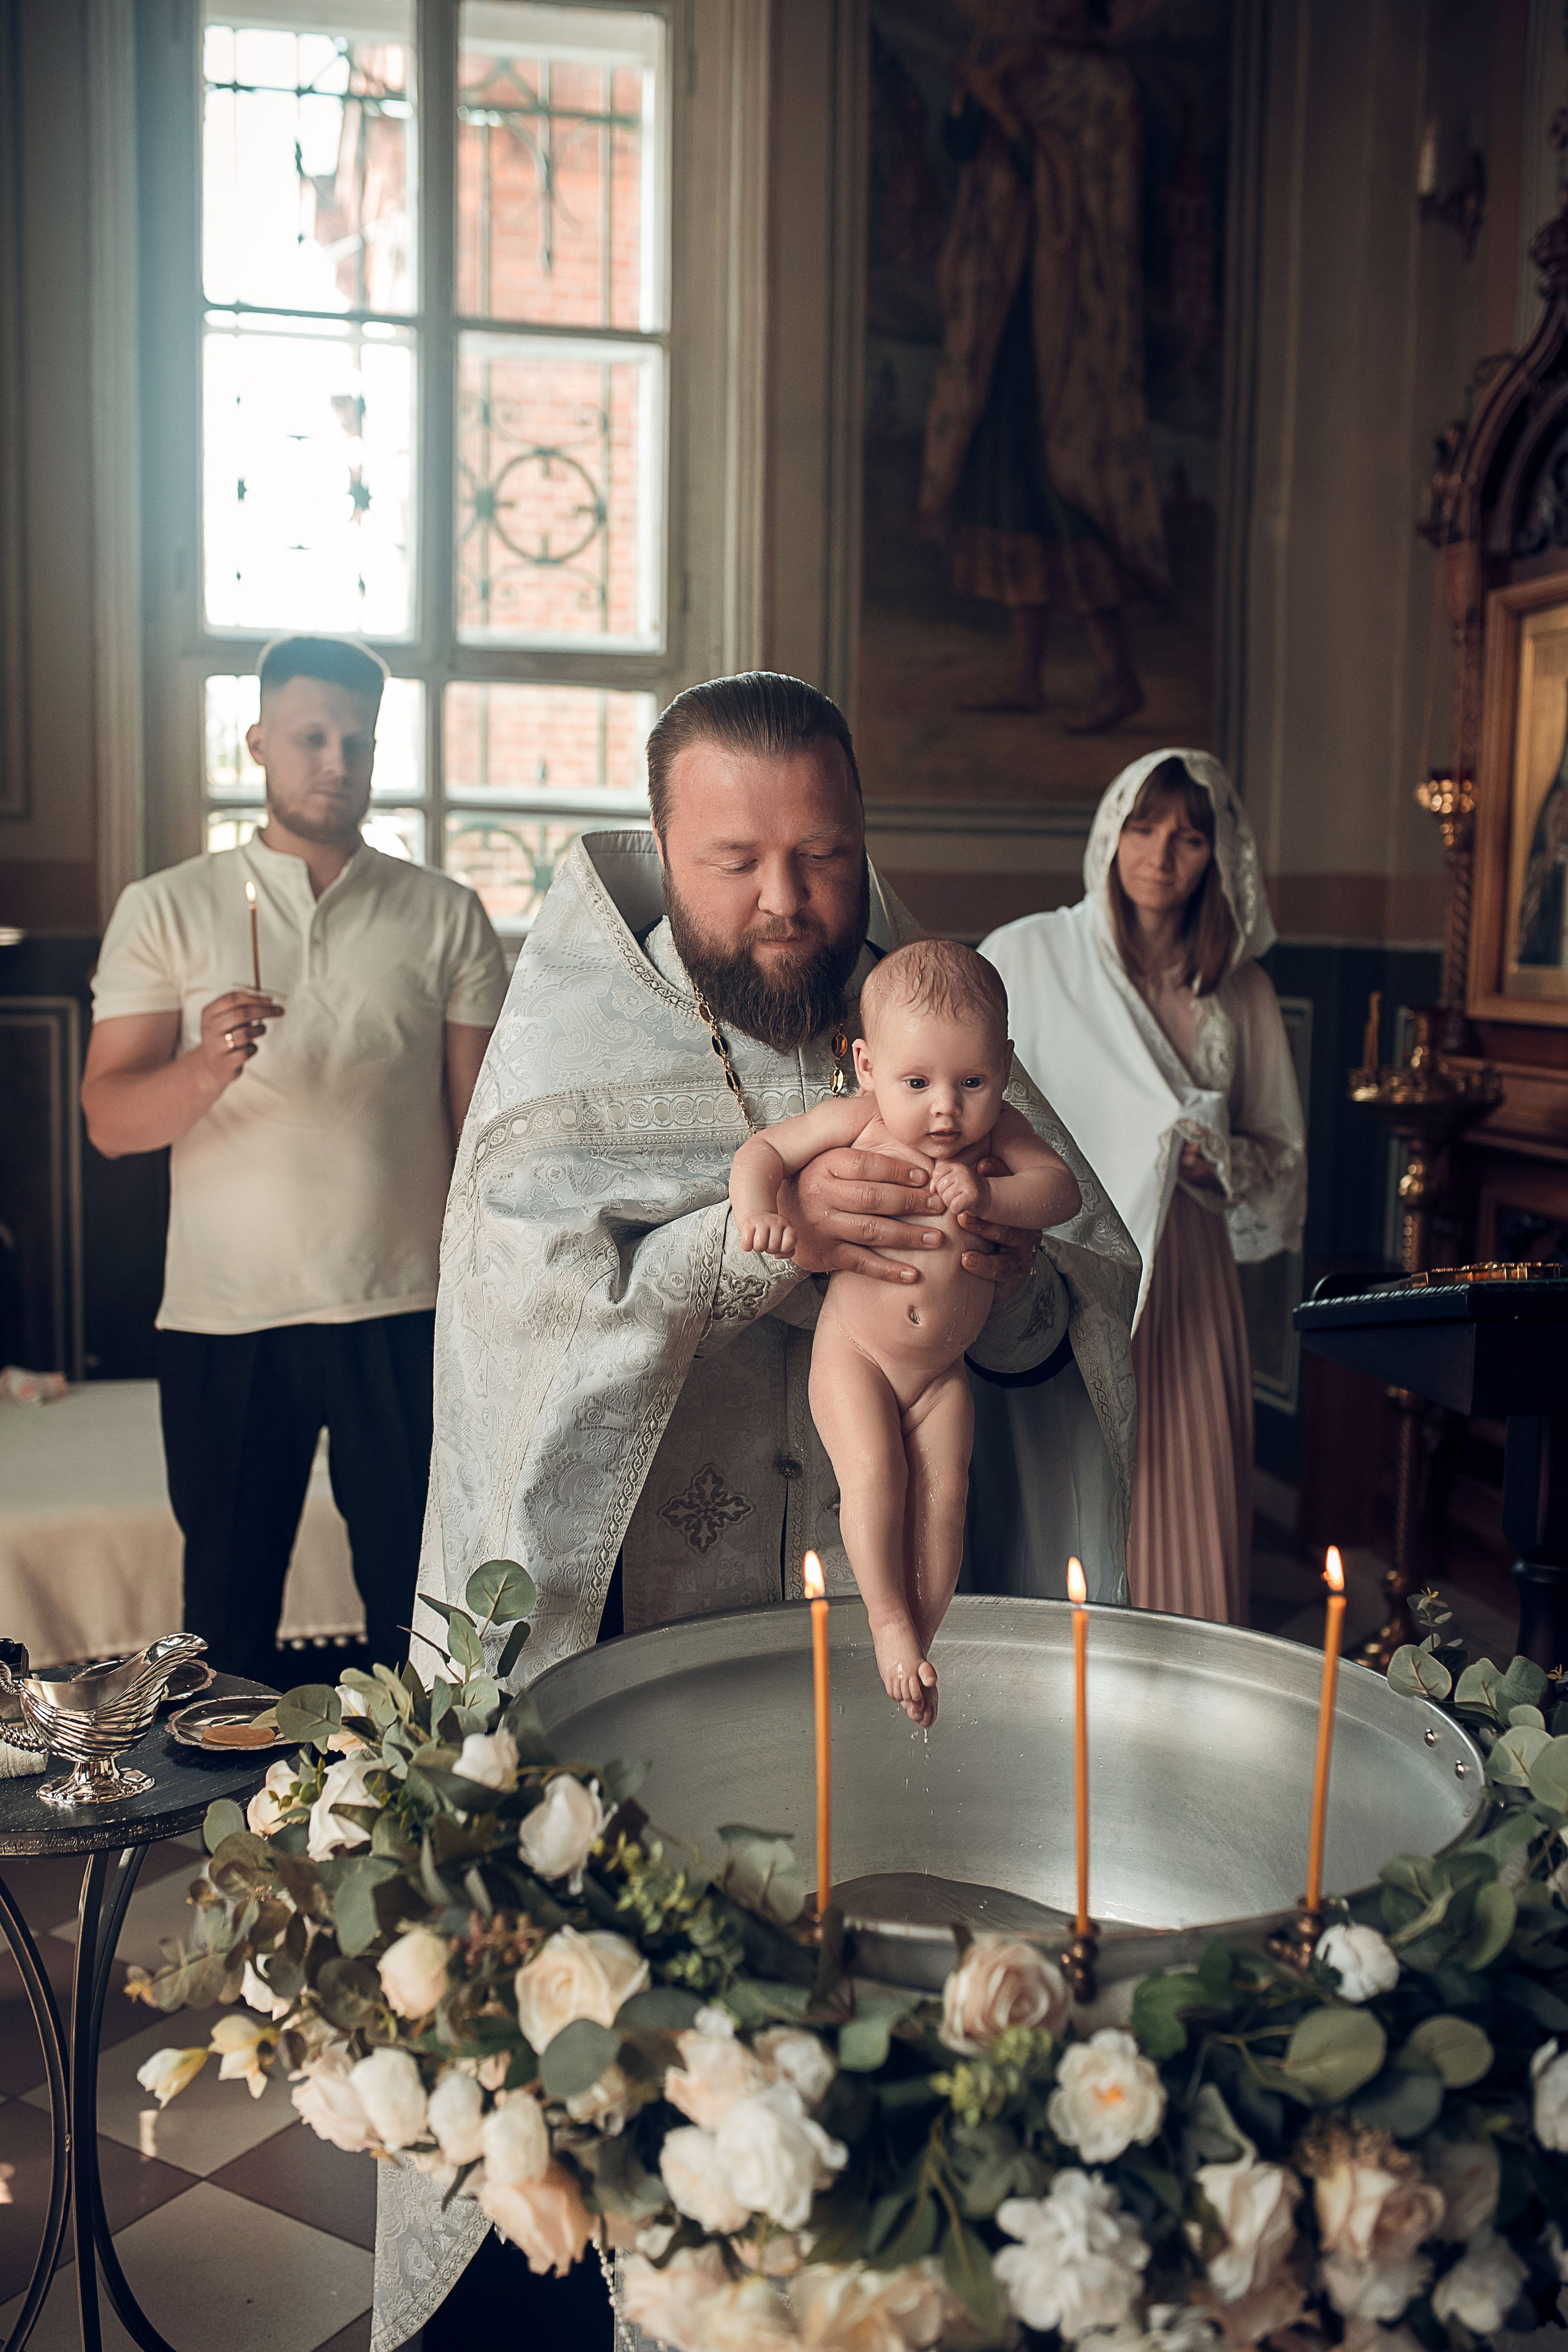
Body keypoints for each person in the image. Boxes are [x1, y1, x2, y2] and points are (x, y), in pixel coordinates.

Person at [382, 670, 1139, 2352]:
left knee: (855, 2105)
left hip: (883, 1666)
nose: (790, 900)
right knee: (645, 2093)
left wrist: (973, 1252)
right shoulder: (572, 1033)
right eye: (738, 860)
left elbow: (1074, 1299)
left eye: (826, 854)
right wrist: (747, 1247)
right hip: (644, 1644)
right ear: (664, 849)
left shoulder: (930, 1019)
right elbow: (517, 1327)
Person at [81, 635, 507, 1684]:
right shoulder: (166, 905)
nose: (337, 760)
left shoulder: (443, 913)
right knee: (223, 1619)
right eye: (312, 736)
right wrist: (202, 1068)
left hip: (402, 1311)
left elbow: (481, 1143)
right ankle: (231, 1846)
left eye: (356, 740)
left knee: (418, 1619)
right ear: (260, 740)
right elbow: (109, 1118)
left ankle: (414, 1837)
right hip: (228, 1318)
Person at [981, 748, 1306, 1626]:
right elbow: (964, 1101)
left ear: (1218, 857)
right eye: (1143, 827)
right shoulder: (1028, 953)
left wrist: (1217, 1162)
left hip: (1189, 1273)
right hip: (1062, 1256)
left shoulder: (1241, 993)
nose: (1161, 854)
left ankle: (1190, 1693)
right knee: (1064, 1483)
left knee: (1182, 1477)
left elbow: (1279, 1151)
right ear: (1110, 833)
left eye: (1189, 836)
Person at [730, 939, 1080, 1723]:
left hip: (940, 1371)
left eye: (973, 1082)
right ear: (866, 1065)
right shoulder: (858, 1121)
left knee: (948, 1498)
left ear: (1007, 1064)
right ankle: (888, 1623)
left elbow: (1060, 1194)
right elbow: (762, 1151)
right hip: (855, 1354)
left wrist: (993, 1200)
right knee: (878, 1478)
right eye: (916, 1082)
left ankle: (919, 1643)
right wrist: (760, 1209)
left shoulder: (1001, 1140)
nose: (945, 1109)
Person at [918, 0, 1170, 729]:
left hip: (1064, 317)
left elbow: (1070, 191)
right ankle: (1024, 675)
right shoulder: (1018, 64)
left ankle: (1118, 676)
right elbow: (965, 148)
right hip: (1003, 310)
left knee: (1063, 485)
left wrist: (1001, 105)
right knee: (1006, 486)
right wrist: (976, 94)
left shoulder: (1104, 90)